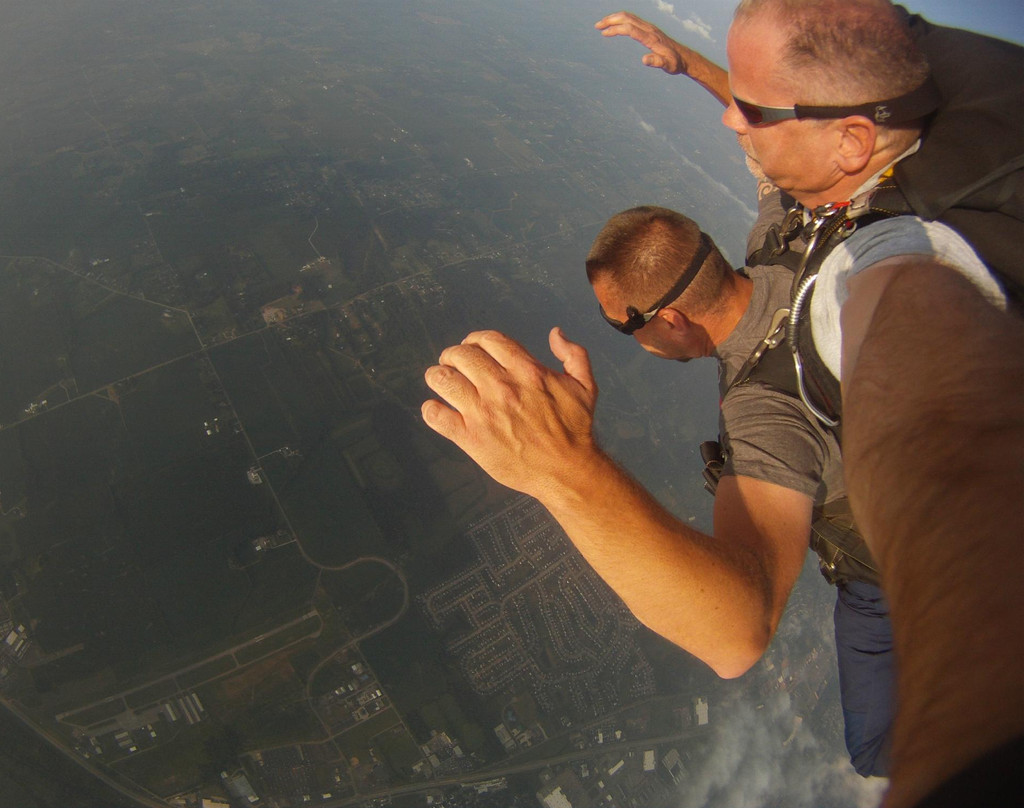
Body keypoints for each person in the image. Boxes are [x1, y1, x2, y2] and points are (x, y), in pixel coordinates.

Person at [424, 2, 1022, 806]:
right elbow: (773, 134)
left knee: (879, 740)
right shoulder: (795, 218)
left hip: (903, 573)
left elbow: (736, 632)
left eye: (625, 327)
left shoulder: (769, 403)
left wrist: (561, 468)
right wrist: (688, 65)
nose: (742, 121)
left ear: (665, 322)